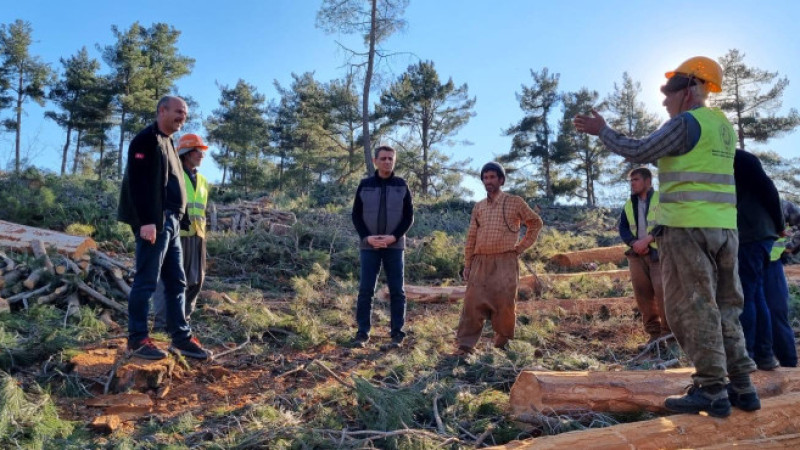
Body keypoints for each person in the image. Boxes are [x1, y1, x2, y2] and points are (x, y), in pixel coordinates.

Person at [574, 56, 758, 417]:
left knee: (692, 307)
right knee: (726, 308)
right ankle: (742, 386)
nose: (663, 100)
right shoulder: (723, 126)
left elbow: (639, 151)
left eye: (668, 91)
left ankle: (711, 389)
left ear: (690, 90)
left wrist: (603, 131)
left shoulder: (686, 123)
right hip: (724, 228)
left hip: (689, 230)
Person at [118, 95, 210, 361]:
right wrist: (147, 221)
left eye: (185, 113)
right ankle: (137, 339)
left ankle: (180, 337)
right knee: (146, 281)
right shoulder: (145, 140)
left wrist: (179, 219)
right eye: (179, 111)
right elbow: (138, 183)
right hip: (154, 223)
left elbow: (172, 183)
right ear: (162, 110)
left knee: (177, 281)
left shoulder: (169, 143)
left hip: (171, 224)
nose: (183, 116)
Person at [455, 162, 543, 355]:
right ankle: (465, 346)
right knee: (472, 302)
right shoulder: (478, 207)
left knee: (504, 303)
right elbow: (471, 237)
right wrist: (468, 264)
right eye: (485, 178)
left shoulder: (515, 202)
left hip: (505, 261)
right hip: (480, 261)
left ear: (501, 180)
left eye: (493, 177)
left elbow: (535, 222)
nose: (489, 181)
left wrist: (520, 248)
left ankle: (502, 345)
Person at [351, 145, 414, 350]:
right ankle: (362, 333)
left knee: (397, 290)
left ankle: (397, 333)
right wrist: (367, 238)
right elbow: (356, 215)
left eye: (391, 158)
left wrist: (393, 237)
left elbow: (408, 217)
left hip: (394, 246)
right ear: (375, 160)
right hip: (369, 246)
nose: (388, 162)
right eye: (384, 158)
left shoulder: (402, 185)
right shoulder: (365, 185)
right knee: (365, 289)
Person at [153, 133, 211, 332]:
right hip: (177, 235)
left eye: (202, 151)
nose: (201, 155)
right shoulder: (173, 174)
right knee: (171, 280)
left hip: (198, 236)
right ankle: (161, 326)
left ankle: (182, 323)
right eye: (198, 151)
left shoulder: (202, 180)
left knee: (196, 281)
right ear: (186, 153)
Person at [733, 149, 784, 370]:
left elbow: (768, 189)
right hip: (759, 234)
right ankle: (763, 355)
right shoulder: (743, 159)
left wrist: (780, 224)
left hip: (750, 234)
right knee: (757, 294)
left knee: (747, 295)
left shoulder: (737, 158)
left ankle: (751, 355)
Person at [618, 167, 670, 348]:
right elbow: (623, 228)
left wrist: (648, 240)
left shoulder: (661, 199)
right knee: (643, 297)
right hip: (637, 257)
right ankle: (654, 336)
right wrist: (634, 244)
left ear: (648, 181)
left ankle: (669, 337)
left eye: (636, 180)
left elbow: (667, 222)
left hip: (658, 255)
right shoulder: (628, 205)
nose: (633, 184)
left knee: (664, 295)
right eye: (631, 181)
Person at [762, 199, 800, 367]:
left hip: (771, 263)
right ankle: (758, 360)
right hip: (740, 264)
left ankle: (788, 362)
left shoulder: (779, 203)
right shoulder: (733, 201)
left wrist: (791, 245)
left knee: (776, 311)